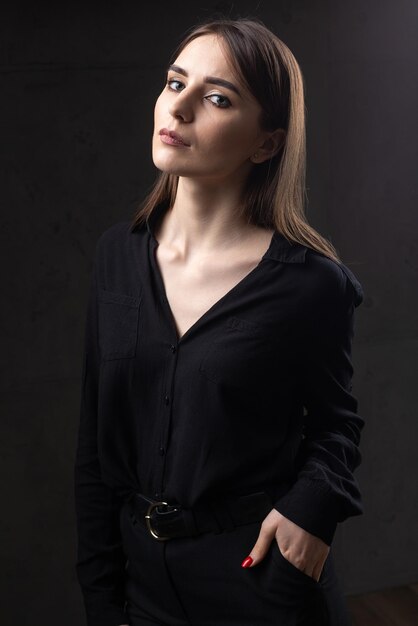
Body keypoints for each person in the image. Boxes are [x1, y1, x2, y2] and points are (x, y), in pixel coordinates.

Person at [74, 16, 365, 626]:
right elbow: (95, 447)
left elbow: (337, 427)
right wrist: (102, 597)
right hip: (140, 583)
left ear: (266, 142)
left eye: (216, 98)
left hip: (260, 579)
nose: (177, 109)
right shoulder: (115, 257)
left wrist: (311, 510)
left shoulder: (310, 284)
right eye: (174, 83)